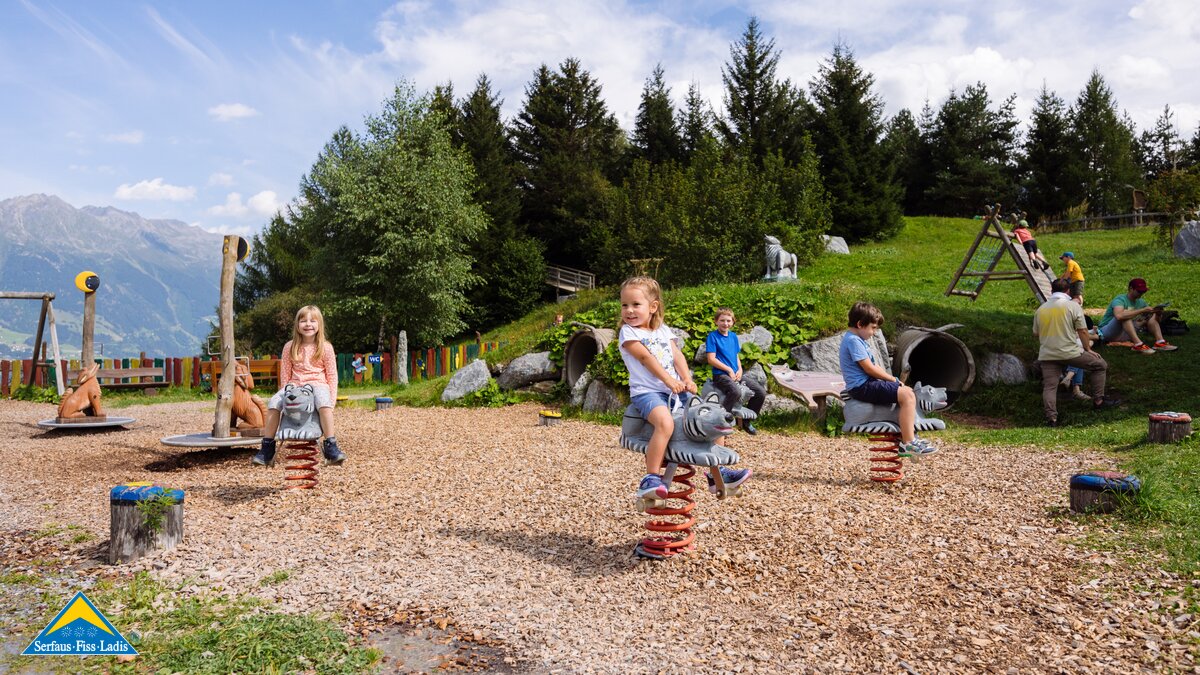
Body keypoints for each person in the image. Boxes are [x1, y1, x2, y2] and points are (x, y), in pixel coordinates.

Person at [618, 277, 750, 506]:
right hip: (647, 392)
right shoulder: (629, 333)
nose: (629, 310)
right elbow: (645, 358)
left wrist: (687, 378)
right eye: (624, 305)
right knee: (665, 424)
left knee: (713, 417)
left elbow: (677, 356)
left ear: (653, 306)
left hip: (675, 389)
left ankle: (717, 473)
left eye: (636, 304)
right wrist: (670, 381)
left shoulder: (662, 330)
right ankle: (650, 477)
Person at [839, 302, 937, 455]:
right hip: (862, 387)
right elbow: (869, 369)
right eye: (873, 327)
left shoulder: (857, 340)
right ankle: (909, 443)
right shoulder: (853, 341)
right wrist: (892, 381)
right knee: (907, 395)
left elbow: (875, 366)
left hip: (866, 384)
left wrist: (894, 380)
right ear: (860, 324)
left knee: (907, 391)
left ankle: (908, 437)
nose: (874, 332)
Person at [252, 305, 345, 466]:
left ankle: (331, 445)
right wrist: (284, 395)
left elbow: (332, 375)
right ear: (297, 325)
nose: (308, 324)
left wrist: (332, 399)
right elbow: (285, 374)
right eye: (303, 321)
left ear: (319, 324)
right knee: (273, 403)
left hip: (318, 384)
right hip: (294, 385)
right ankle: (267, 447)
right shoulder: (290, 346)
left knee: (324, 404)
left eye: (313, 321)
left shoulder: (326, 347)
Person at [1034, 278, 1117, 427]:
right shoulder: (1072, 306)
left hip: (1048, 354)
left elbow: (1036, 333)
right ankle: (1099, 401)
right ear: (1068, 291)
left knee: (1050, 386)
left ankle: (1051, 419)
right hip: (1069, 352)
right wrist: (1088, 349)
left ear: (1052, 291)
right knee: (1100, 365)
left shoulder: (1041, 309)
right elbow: (1083, 331)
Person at [705, 308, 767, 435]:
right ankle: (722, 421)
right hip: (720, 375)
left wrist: (740, 369)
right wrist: (728, 370)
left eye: (728, 321)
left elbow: (736, 356)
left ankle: (746, 422)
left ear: (733, 322)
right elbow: (711, 359)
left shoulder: (733, 337)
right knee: (735, 391)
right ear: (716, 321)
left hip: (735, 374)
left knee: (760, 392)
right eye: (722, 320)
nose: (725, 323)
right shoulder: (712, 337)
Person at [1096, 278, 1179, 353]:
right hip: (1107, 332)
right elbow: (1119, 316)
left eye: (1143, 291)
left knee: (1150, 316)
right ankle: (1138, 345)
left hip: (1126, 332)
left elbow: (1156, 321)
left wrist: (1157, 313)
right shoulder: (1120, 299)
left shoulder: (1141, 302)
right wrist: (1142, 310)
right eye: (1139, 291)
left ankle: (1160, 342)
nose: (1141, 293)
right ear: (1131, 289)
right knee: (1125, 315)